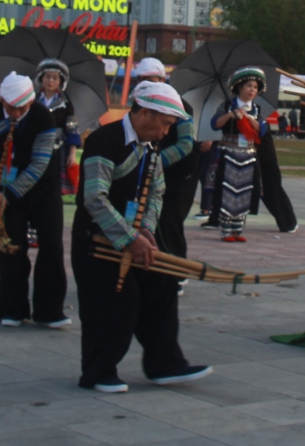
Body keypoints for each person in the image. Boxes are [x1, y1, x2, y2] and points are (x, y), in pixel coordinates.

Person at [72, 81, 211, 393]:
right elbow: (95, 199)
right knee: (115, 303)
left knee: (162, 285)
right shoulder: (104, 140)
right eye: (163, 125)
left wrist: (146, 229)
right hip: (98, 241)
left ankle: (165, 364)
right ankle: (98, 372)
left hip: (135, 236)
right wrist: (128, 238)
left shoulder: (151, 146)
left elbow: (156, 192)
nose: (165, 133)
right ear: (144, 113)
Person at [0, 71, 68, 327]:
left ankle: (49, 311)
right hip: (2, 188)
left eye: (21, 108)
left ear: (30, 102)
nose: (15, 114)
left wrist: (11, 194)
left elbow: (39, 163)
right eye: (10, 107)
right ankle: (12, 310)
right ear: (2, 100)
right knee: (10, 248)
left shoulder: (43, 117)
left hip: (43, 187)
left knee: (51, 245)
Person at [211, 67, 296, 241]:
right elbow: (215, 124)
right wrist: (230, 116)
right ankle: (226, 230)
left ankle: (238, 229)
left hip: (248, 154)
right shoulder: (227, 106)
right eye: (249, 86)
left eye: (255, 87)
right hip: (229, 153)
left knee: (244, 191)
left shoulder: (256, 109)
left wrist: (250, 120)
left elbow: (263, 130)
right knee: (228, 191)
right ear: (240, 87)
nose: (252, 90)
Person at [133, 58, 199, 260]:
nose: (146, 83)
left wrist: (154, 163)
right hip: (153, 171)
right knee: (148, 220)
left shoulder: (180, 105)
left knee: (170, 221)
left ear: (162, 78)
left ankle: (176, 273)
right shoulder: (140, 102)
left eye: (151, 79)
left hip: (179, 173)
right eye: (142, 79)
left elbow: (185, 144)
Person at [33, 58, 83, 201]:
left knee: (53, 188)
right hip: (35, 147)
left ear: (61, 81)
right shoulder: (33, 101)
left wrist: (72, 154)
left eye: (55, 78)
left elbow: (72, 129)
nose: (51, 80)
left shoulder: (66, 104)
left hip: (58, 150)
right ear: (41, 79)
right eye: (47, 77)